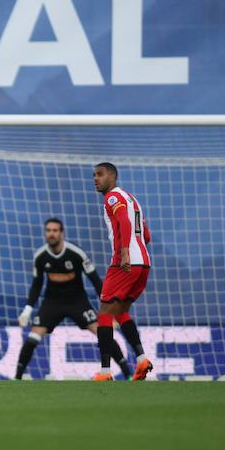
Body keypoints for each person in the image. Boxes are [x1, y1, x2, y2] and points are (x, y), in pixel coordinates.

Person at [15, 218, 131, 380]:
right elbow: (36, 285)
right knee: (33, 337)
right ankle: (17, 377)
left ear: (61, 233)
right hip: (52, 303)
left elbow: (96, 281)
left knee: (102, 333)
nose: (51, 234)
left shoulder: (76, 253)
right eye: (48, 230)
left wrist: (109, 310)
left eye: (55, 230)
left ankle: (128, 373)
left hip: (77, 302)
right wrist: (27, 310)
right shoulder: (40, 256)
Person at [92, 163, 154, 381]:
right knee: (120, 311)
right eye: (94, 175)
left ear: (112, 176)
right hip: (143, 263)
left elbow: (123, 222)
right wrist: (135, 251)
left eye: (100, 174)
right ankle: (141, 359)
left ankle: (105, 372)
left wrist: (125, 253)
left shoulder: (112, 198)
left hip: (124, 262)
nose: (95, 179)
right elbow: (146, 235)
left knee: (105, 314)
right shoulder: (131, 199)